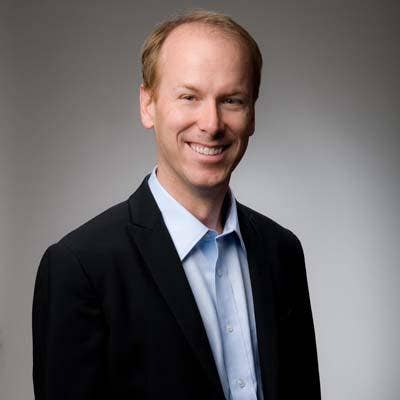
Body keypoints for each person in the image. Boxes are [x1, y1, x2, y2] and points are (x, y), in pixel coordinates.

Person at [32, 10, 320, 400]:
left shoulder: (282, 251)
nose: (211, 124)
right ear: (147, 105)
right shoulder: (81, 267)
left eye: (231, 100)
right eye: (189, 97)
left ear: (252, 113)